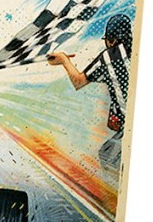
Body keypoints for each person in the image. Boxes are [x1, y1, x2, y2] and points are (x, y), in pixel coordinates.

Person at [47, 13, 134, 169]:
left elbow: (78, 82)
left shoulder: (110, 57)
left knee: (108, 157)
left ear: (112, 40)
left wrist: (64, 60)